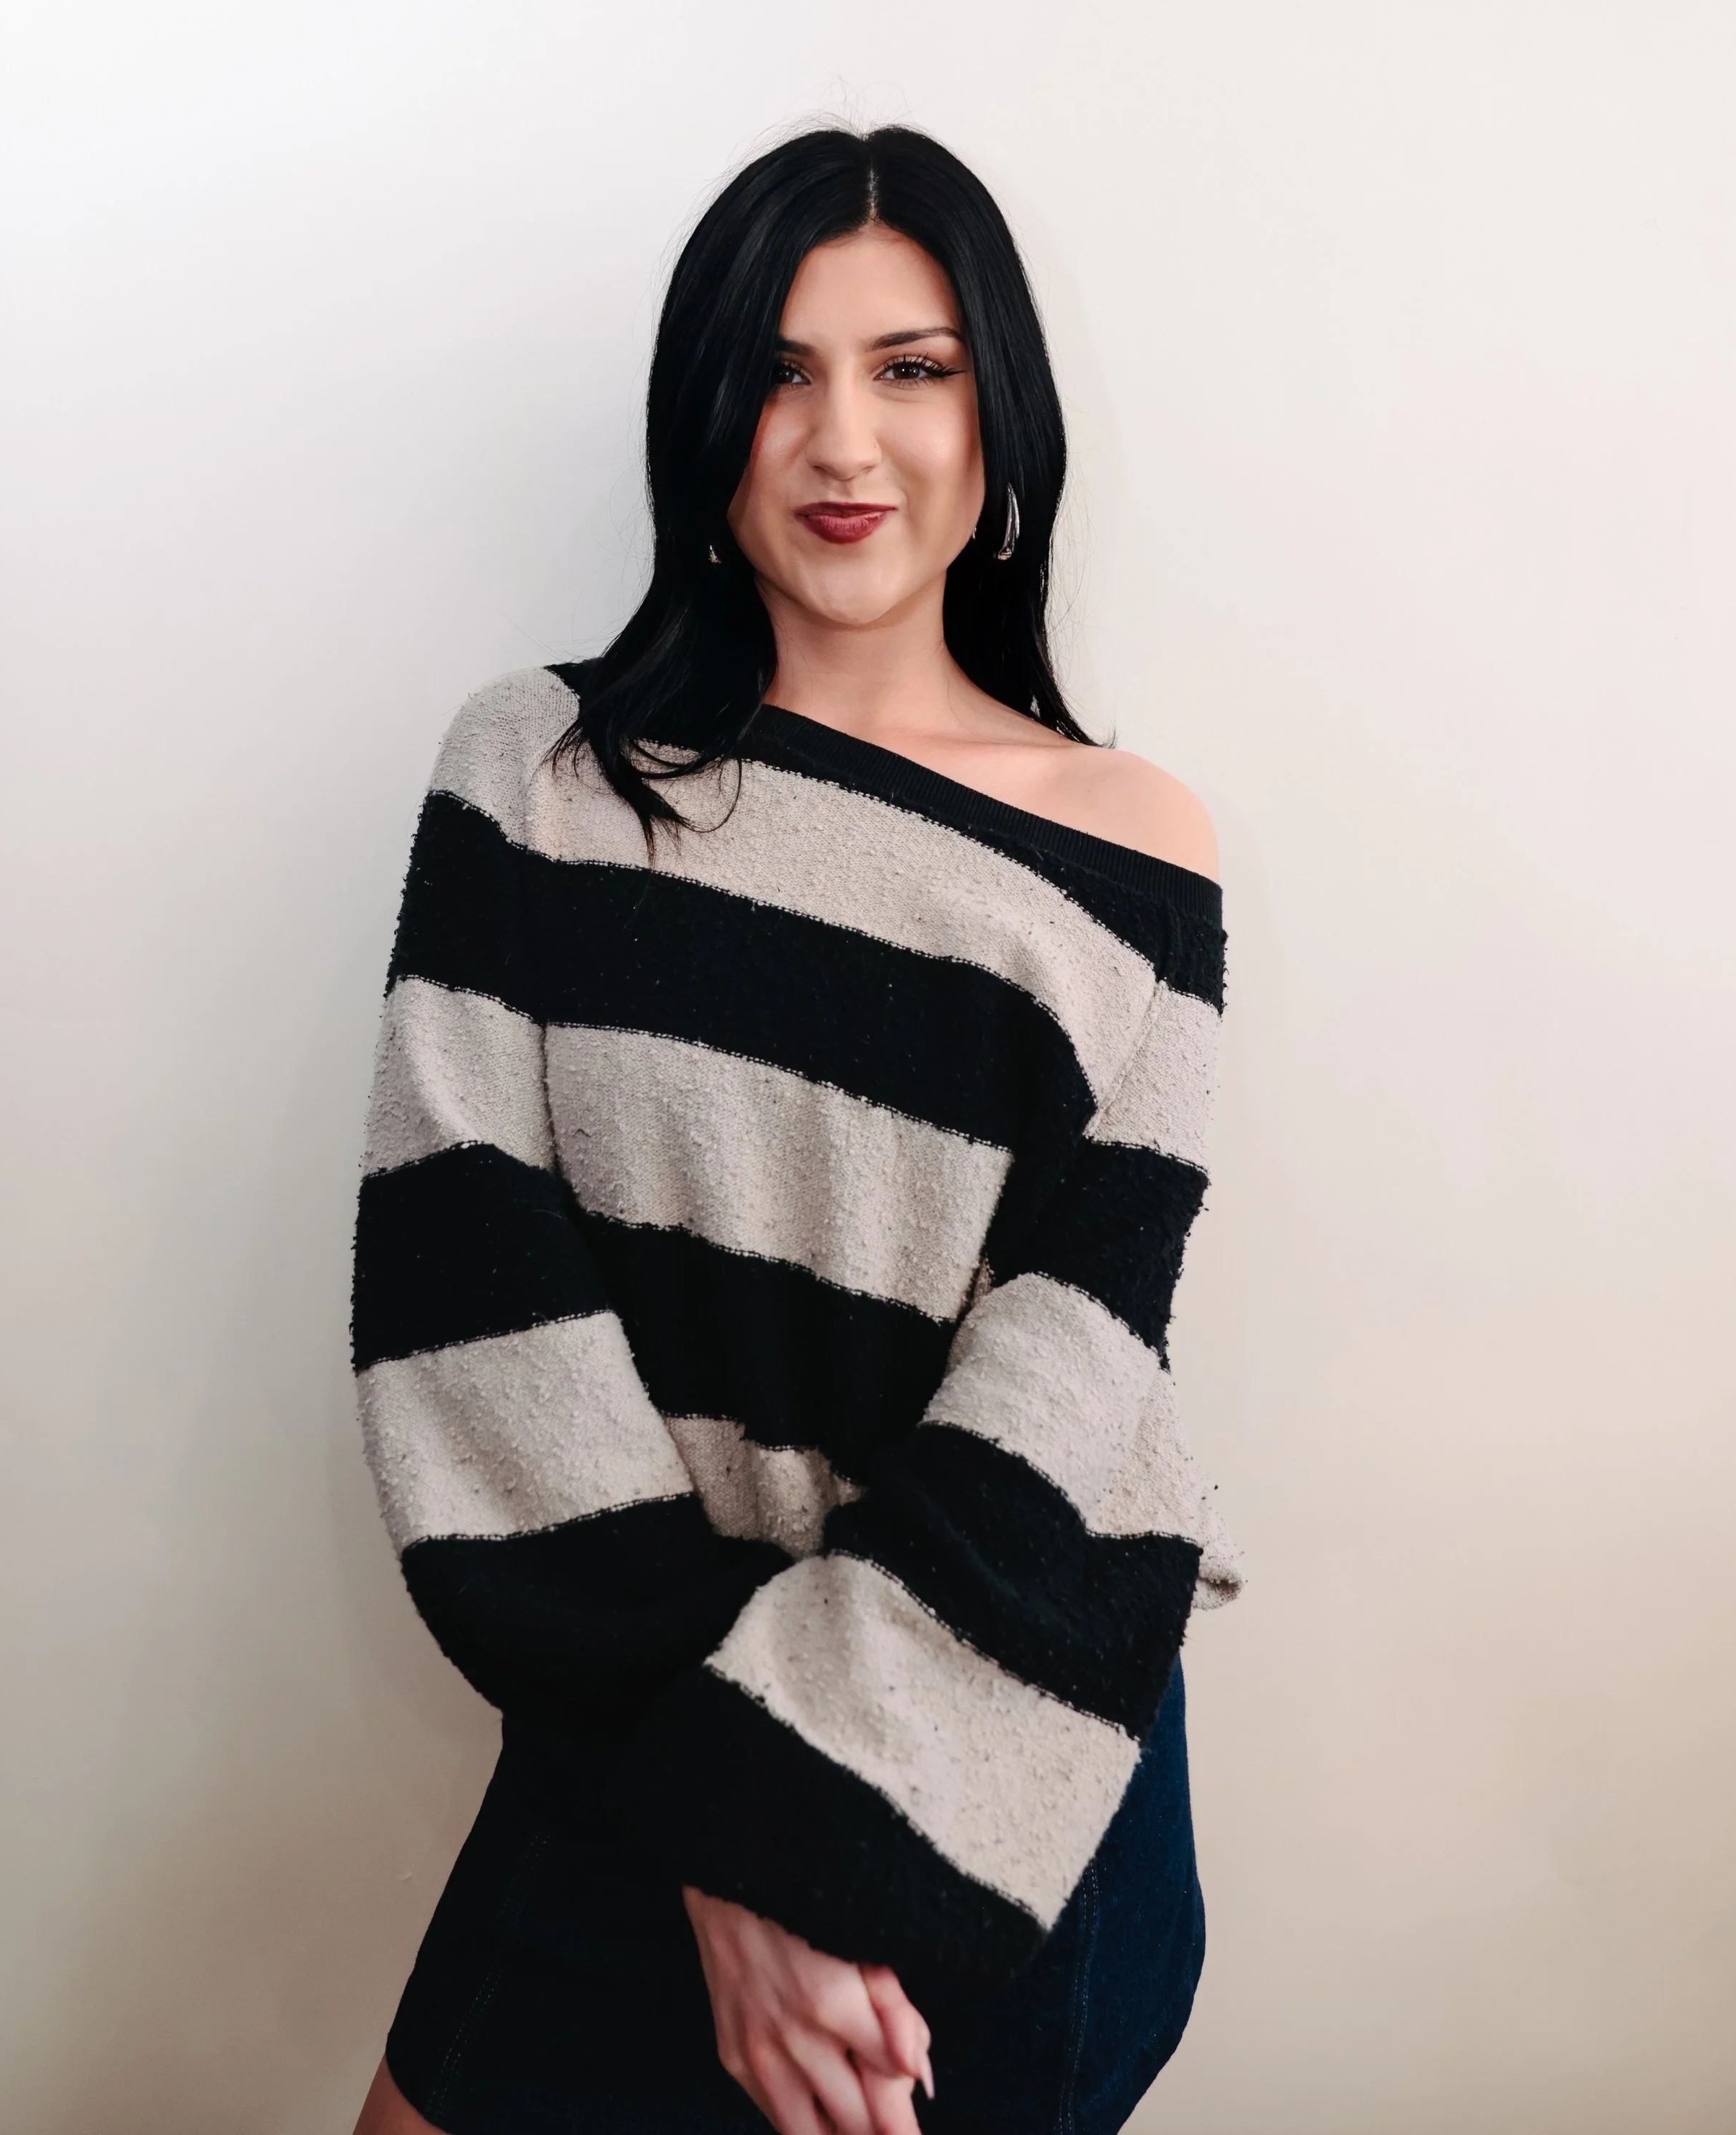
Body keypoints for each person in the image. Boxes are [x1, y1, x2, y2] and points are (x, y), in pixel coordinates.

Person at [348, 123, 1242, 2135]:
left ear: (994, 409)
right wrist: (727, 1835)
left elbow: (1079, 1355)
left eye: (911, 367)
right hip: (631, 1718)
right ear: (702, 412)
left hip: (985, 1757)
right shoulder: (541, 771)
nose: (842, 435)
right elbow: (466, 1297)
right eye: (777, 365)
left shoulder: (1134, 847)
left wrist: (790, 1823)